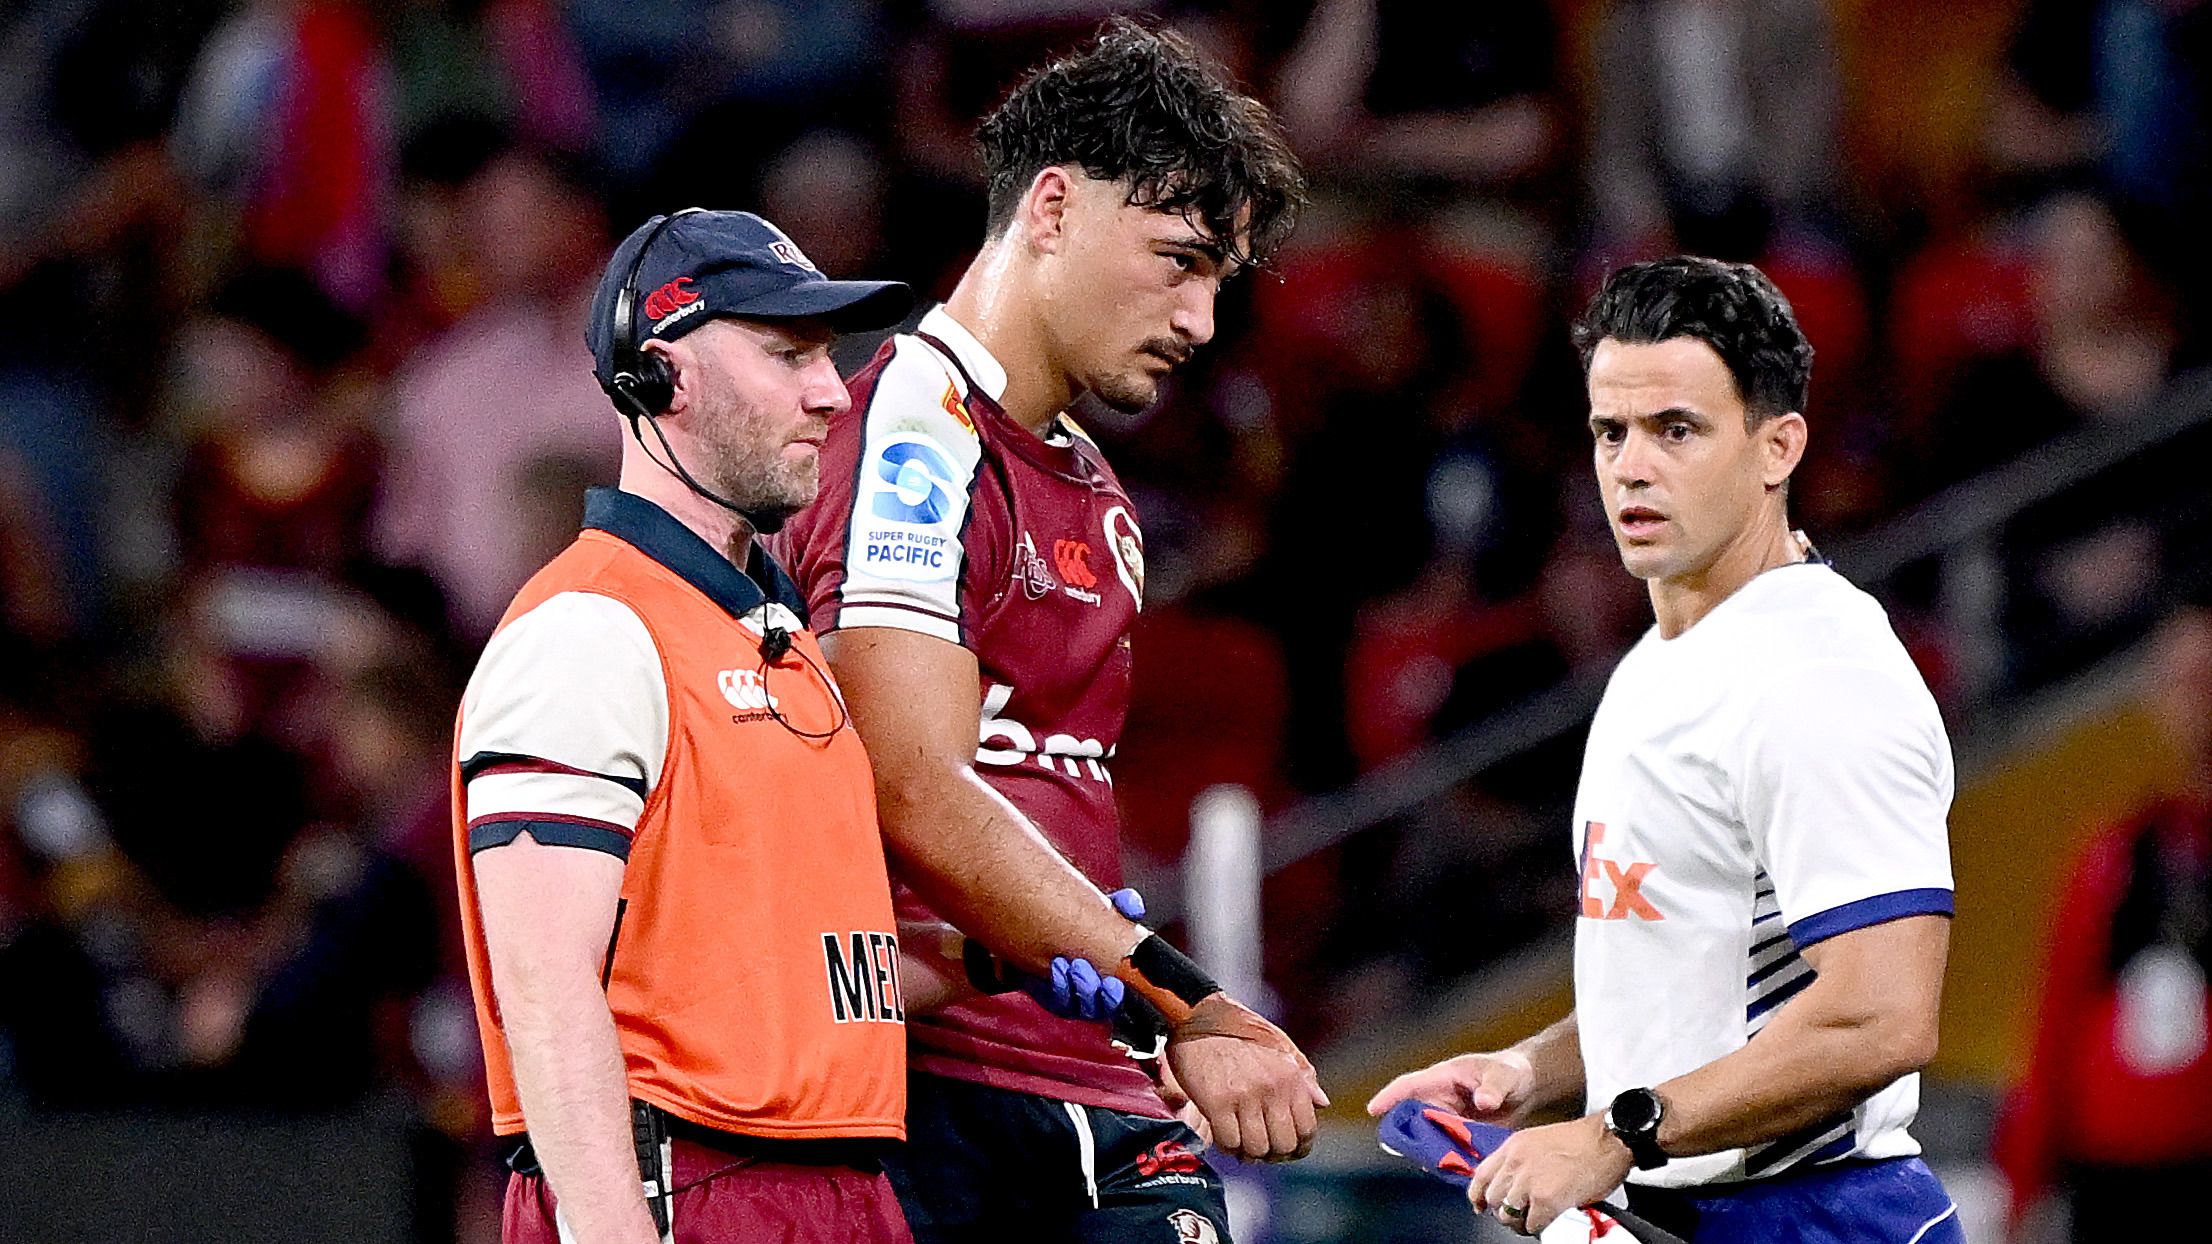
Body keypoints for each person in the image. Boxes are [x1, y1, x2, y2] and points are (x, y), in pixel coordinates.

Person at [772, 19, 1319, 1243]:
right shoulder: (916, 429)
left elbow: (1045, 793)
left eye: (1221, 280)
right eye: (1179, 261)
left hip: (1091, 1082)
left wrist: (1137, 1010)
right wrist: (1187, 1002)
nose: (1202, 320)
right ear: (1055, 206)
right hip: (931, 1097)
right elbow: (911, 778)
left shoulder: (1095, 493)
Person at [1368, 257, 1962, 1243]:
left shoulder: (1819, 673)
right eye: (1611, 431)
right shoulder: (1659, 659)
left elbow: (1881, 1017)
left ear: (1778, 447)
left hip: (1815, 1217)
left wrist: (1614, 1130)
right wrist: (1523, 1075)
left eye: (1675, 430)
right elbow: (1688, 993)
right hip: (1675, 1205)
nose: (1631, 466)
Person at [451, 207, 920, 1244]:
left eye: (828, 354)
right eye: (785, 351)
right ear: (664, 373)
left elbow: (785, 974)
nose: (830, 391)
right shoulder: (589, 629)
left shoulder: (775, 640)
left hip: (830, 1179)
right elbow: (542, 981)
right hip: (691, 1183)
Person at [1995, 587, 2212, 1241]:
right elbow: (2055, 1023)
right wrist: (2022, 1183)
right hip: (2112, 1183)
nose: (2195, 703)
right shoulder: (2115, 857)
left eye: (2206, 680)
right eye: (2179, 681)